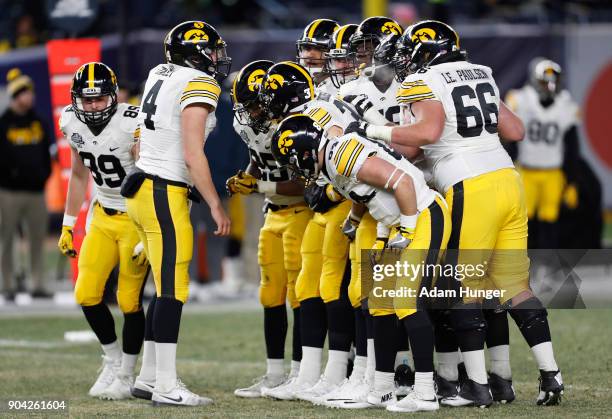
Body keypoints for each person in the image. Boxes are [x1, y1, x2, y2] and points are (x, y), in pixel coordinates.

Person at [354, 19, 563, 407]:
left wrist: (376, 132)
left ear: (425, 52)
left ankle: (478, 387)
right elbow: (514, 130)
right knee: (514, 285)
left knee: (458, 285)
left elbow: (428, 133)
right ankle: (551, 376)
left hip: (471, 184)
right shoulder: (480, 73)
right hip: (508, 179)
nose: (405, 60)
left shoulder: (424, 80)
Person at [271, 114, 450, 413]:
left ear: (304, 152)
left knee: (405, 302)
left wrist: (404, 229)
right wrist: (358, 221)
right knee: (378, 301)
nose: (295, 170)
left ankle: (425, 392)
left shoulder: (341, 154)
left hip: (423, 215)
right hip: (399, 221)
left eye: (293, 162)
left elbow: (403, 183)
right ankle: (381, 389)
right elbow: (368, 194)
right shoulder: (331, 160)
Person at [124, 20, 231, 407]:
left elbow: (140, 139)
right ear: (197, 52)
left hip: (142, 187)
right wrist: (215, 203)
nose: (217, 58)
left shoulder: (160, 72)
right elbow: (191, 151)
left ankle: (150, 377)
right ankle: (167, 386)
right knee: (173, 290)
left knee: (162, 285)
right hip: (163, 191)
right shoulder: (199, 83)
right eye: (213, 50)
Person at [57, 62, 149, 400]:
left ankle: (127, 372)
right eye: (87, 100)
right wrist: (68, 224)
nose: (93, 106)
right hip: (102, 215)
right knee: (86, 293)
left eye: (99, 100)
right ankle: (111, 360)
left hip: (135, 218)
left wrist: (150, 230)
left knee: (128, 299)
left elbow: (150, 176)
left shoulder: (133, 122)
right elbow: (80, 174)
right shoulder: (70, 120)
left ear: (113, 96)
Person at [228, 60, 312, 398]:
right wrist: (249, 175)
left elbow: (304, 182)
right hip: (272, 214)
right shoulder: (251, 125)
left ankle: (298, 374)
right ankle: (274, 374)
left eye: (253, 104)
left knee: (298, 296)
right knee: (270, 295)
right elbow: (258, 158)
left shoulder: (294, 124)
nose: (248, 113)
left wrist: (259, 187)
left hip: (300, 213)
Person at [506, 59, 580, 249]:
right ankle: (523, 264)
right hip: (526, 171)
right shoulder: (520, 99)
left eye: (552, 81)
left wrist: (571, 181)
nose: (549, 86)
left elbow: (572, 147)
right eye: (544, 81)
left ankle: (548, 265)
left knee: (550, 221)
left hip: (553, 173)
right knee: (522, 222)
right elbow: (509, 139)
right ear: (534, 80)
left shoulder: (566, 105)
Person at [0, 68, 52, 300]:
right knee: (6, 239)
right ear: (15, 96)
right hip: (9, 192)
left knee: (37, 241)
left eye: (30, 92)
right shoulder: (4, 123)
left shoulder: (39, 121)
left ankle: (37, 283)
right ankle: (7, 284)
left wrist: (44, 174)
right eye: (23, 93)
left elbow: (45, 152)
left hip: (36, 191)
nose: (29, 97)